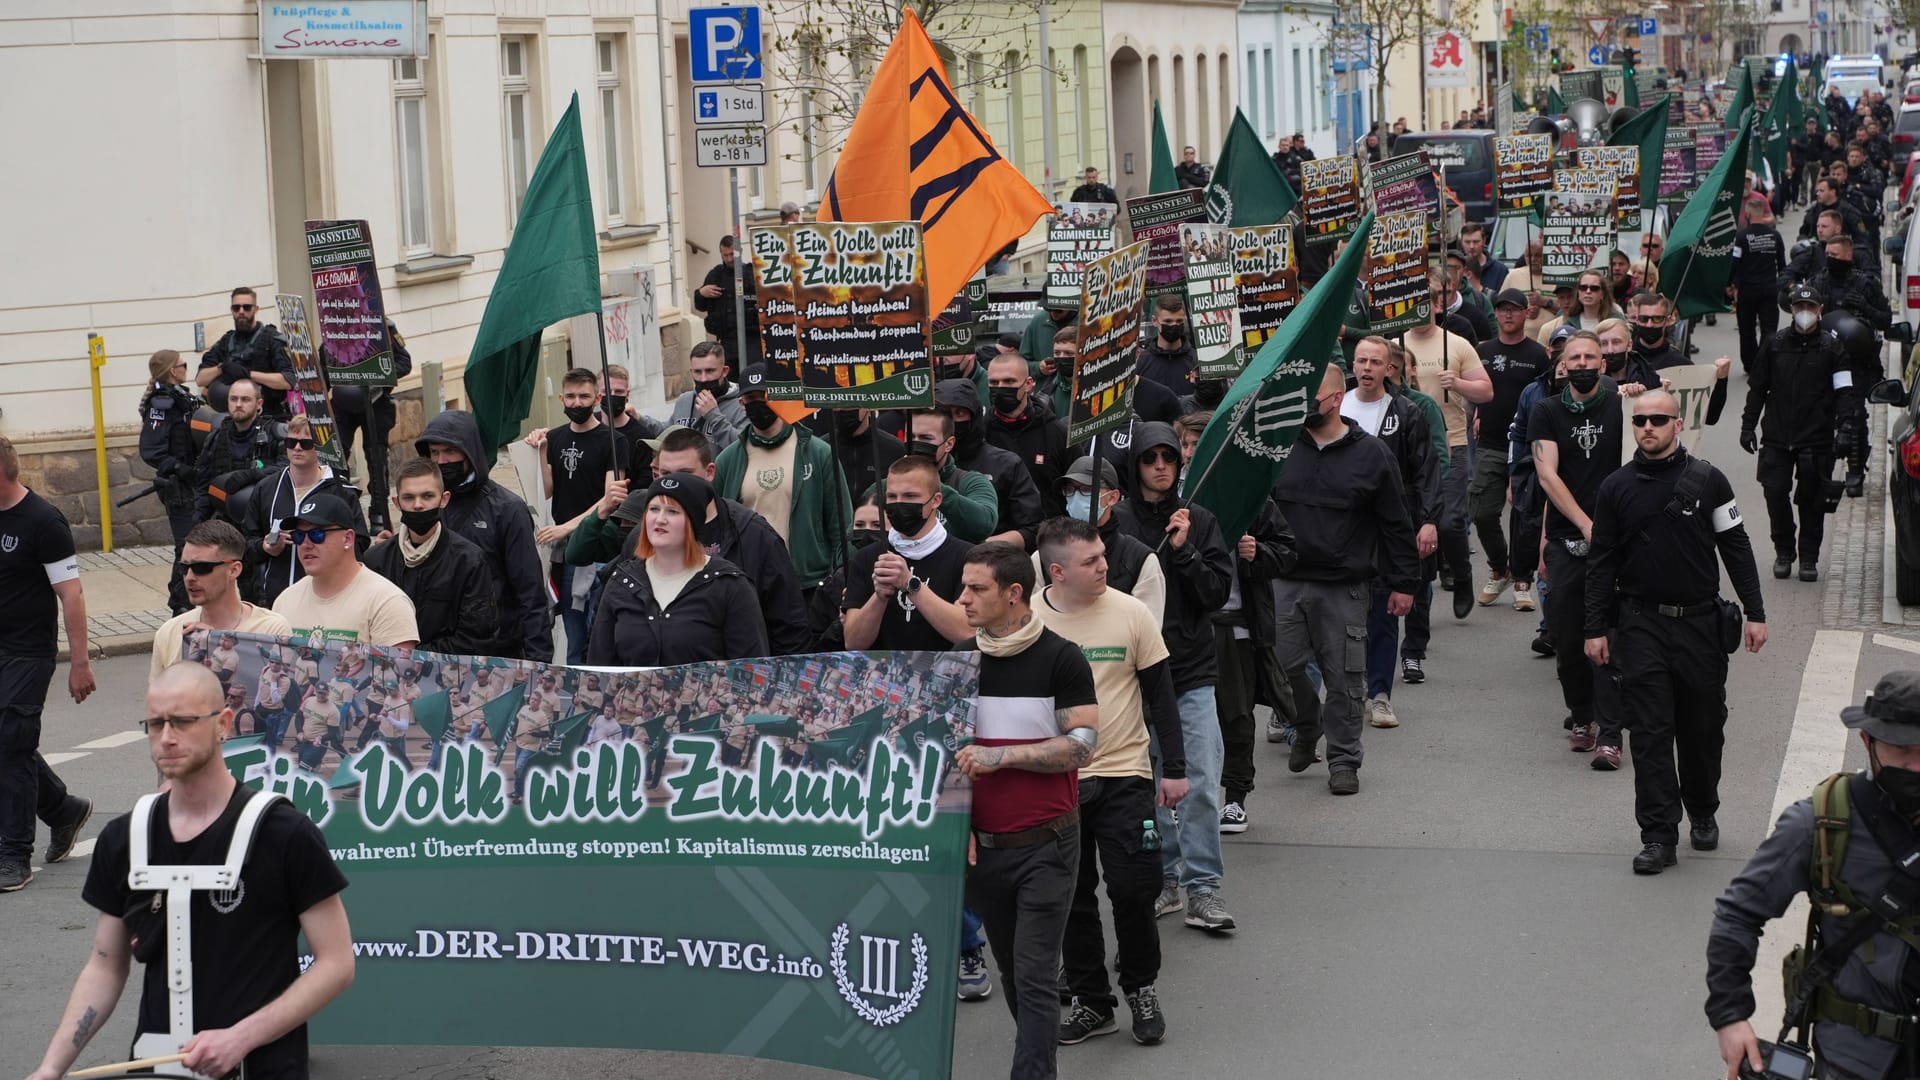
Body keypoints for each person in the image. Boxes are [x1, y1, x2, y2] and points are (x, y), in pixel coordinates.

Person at [23, 662, 353, 1080]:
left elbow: (337, 963)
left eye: (182, 722)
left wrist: (240, 1037)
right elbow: (106, 966)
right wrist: (52, 1067)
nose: (166, 737)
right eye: (156, 723)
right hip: (158, 1066)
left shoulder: (285, 834)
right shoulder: (125, 837)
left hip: (262, 1066)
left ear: (224, 724)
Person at [1585, 390, 1769, 874]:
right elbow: (1602, 561)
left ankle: (1703, 808)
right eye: (1640, 419)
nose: (1647, 427)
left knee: (1703, 729)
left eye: (1658, 420)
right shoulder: (1615, 487)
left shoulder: (1709, 481)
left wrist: (1755, 610)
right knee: (1649, 734)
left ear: (1678, 424)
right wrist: (1595, 627)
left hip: (1701, 627)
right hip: (1642, 624)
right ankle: (1658, 835)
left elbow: (1736, 545)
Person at [1704, 671, 1920, 1080]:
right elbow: (1738, 914)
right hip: (1856, 1058)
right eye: (1902, 749)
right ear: (1868, 743)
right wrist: (1730, 1017)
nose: (1917, 766)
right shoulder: (1819, 824)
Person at [1032, 517, 1187, 1047]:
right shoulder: (1028, 621)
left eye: (1103, 555)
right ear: (1057, 572)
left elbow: (1161, 696)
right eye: (1091, 561)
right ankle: (1092, 1001)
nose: (1105, 565)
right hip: (1058, 781)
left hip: (1125, 774)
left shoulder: (1131, 612)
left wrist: (1177, 771)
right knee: (1071, 897)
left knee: (1133, 889)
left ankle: (1141, 987)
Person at [953, 541, 1098, 1080]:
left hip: (1048, 844)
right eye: (964, 587)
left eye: (976, 589)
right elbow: (943, 756)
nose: (963, 598)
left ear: (1014, 594)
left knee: (1035, 974)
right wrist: (957, 827)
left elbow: (1084, 746)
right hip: (983, 851)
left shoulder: (1061, 657)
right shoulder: (960, 662)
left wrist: (1003, 756)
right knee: (1013, 972)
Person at [1271, 364, 1421, 797]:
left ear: (1337, 399)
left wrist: (1404, 583)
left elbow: (1396, 523)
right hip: (1285, 580)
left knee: (1344, 680)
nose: (1303, 407)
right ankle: (1306, 722)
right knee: (1277, 669)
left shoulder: (1372, 455)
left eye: (1311, 399)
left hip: (1345, 586)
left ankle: (1343, 760)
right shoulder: (1280, 447)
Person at [1110, 423, 1235, 931]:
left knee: (1199, 782)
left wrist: (1185, 552)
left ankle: (1204, 886)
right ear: (1135, 464)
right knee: (1147, 787)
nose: (1161, 464)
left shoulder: (1199, 519)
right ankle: (1165, 877)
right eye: (1149, 457)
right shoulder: (1113, 524)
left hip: (1188, 670)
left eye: (1169, 456)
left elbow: (1215, 595)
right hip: (1128, 675)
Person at [570, 426, 811, 656]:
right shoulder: (641, 538)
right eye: (665, 475)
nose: (673, 485)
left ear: (710, 473)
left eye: (685, 475)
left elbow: (789, 629)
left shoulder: (753, 536)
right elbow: (604, 633)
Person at [1170, 416, 1295, 827]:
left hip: (1235, 623)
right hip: (1183, 623)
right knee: (1179, 713)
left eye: (1199, 445)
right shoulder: (1170, 497)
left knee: (1235, 714)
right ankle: (1178, 791)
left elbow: (1288, 551)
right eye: (1186, 445)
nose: (1191, 454)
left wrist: (1258, 552)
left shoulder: (1250, 498)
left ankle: (1236, 793)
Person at [0, 435, 96, 892]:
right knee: (5, 741)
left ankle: (14, 853)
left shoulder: (43, 521)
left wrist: (80, 663)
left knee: (11, 744)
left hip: (27, 652)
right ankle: (63, 810)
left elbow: (71, 594)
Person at [1529, 330, 1626, 765]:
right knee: (1568, 638)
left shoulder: (1624, 405)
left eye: (1592, 355)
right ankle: (1581, 715)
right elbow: (1548, 476)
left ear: (1603, 364)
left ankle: (1611, 732)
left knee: (1612, 637)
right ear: (1563, 366)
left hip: (1620, 542)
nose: (1584, 362)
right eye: (1575, 357)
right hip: (1571, 540)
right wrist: (1586, 525)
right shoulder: (1546, 411)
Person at [1343, 339, 1440, 731]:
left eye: (1376, 362)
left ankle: (1379, 695)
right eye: (1362, 361)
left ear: (1389, 369)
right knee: (1341, 616)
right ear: (1353, 365)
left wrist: (1429, 519)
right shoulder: (1335, 406)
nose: (1368, 368)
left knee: (1384, 613)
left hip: (1389, 529)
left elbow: (1426, 469)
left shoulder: (1406, 412)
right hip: (1343, 531)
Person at [1741, 282, 1863, 582]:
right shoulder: (1774, 344)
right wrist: (1747, 425)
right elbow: (1757, 388)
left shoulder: (1833, 348)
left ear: (1820, 311)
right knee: (1775, 494)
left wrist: (1846, 428)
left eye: (1810, 307)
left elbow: (1845, 392)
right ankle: (1784, 550)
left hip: (1816, 438)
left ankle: (1809, 557)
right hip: (1777, 437)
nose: (1804, 313)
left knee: (1813, 502)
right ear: (1791, 310)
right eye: (1799, 308)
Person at [586, 473, 768, 667]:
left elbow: (751, 673)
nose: (660, 519)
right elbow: (599, 667)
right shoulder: (621, 581)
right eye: (654, 509)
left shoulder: (730, 585)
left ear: (692, 521)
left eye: (672, 511)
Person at [415, 409, 553, 662]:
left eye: (450, 451)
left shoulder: (507, 509)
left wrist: (539, 664)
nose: (442, 461)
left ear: (469, 452)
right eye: (434, 453)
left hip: (499, 653)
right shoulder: (424, 506)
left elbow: (530, 594)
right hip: (438, 653)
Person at [713, 364, 852, 601]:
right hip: (749, 585)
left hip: (808, 585)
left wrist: (842, 577)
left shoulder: (819, 454)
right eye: (750, 398)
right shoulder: (728, 460)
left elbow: (842, 526)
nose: (758, 404)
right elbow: (716, 526)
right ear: (741, 403)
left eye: (764, 396)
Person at [1403, 272, 1494, 623]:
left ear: (1436, 305)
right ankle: (1419, 597)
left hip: (1452, 441)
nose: (1416, 310)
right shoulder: (1393, 342)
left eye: (1422, 302)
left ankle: (1462, 574)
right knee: (1416, 523)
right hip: (1407, 447)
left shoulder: (1455, 344)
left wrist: (1456, 382)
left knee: (1451, 520)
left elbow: (1486, 392)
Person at [525, 367, 630, 665]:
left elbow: (610, 499)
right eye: (570, 397)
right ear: (561, 398)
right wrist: (540, 451)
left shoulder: (613, 440)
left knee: (598, 632)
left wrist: (567, 528)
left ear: (597, 397)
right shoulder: (556, 438)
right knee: (574, 637)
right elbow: (547, 489)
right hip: (564, 553)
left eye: (584, 396)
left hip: (597, 545)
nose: (577, 403)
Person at [363, 458, 502, 656]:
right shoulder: (376, 560)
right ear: (396, 502)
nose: (418, 505)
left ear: (444, 499)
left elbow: (476, 637)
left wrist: (414, 656)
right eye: (409, 497)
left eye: (427, 496)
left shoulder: (468, 561)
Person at [842, 455, 974, 651]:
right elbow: (853, 642)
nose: (899, 504)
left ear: (936, 500)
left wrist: (909, 584)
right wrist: (879, 597)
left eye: (910, 496)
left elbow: (966, 633)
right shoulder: (867, 557)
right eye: (892, 497)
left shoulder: (968, 557)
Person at [1472, 291, 1552, 609]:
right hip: (1491, 442)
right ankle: (1499, 567)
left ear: (1526, 313)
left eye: (1515, 310)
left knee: (1524, 514)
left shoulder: (1537, 355)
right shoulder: (1483, 351)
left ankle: (1522, 578)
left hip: (1526, 444)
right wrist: (1477, 413)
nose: (1508, 315)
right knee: (1481, 511)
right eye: (1502, 310)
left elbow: (1544, 398)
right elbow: (1480, 388)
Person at [246, 413, 366, 609]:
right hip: (276, 600)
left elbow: (359, 542)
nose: (298, 448)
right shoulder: (266, 488)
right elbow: (246, 542)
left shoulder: (341, 491)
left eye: (306, 443)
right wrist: (264, 547)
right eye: (291, 442)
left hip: (328, 599)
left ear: (320, 447)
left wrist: (324, 541)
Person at [271, 493, 420, 649]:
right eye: (299, 536)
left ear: (348, 538)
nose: (306, 544)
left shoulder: (387, 603)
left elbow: (398, 671)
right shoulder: (285, 601)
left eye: (317, 535)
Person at [150, 520, 293, 679]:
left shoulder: (271, 629)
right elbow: (159, 701)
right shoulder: (169, 632)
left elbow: (271, 696)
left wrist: (215, 643)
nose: (190, 577)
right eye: (184, 568)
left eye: (202, 568)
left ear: (234, 570)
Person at [1045, 455, 1165, 616]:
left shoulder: (1140, 560)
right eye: (1070, 489)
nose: (1076, 496)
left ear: (1113, 497)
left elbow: (1149, 631)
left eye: (1087, 489)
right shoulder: (1044, 556)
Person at [327, 319, 411, 532]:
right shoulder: (333, 327)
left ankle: (379, 513)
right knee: (335, 459)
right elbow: (323, 366)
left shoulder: (381, 327)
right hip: (343, 405)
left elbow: (403, 363)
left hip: (375, 401)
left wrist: (375, 377)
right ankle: (343, 509)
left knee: (377, 460)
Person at [139, 348, 205, 614]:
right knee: (186, 548)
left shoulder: (181, 396)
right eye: (183, 365)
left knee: (196, 545)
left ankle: (188, 602)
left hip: (193, 484)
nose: (186, 369)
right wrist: (180, 469)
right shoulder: (162, 402)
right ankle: (180, 605)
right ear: (171, 371)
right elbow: (152, 451)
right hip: (178, 487)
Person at [939, 379, 1043, 547]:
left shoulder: (1006, 464)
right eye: (946, 414)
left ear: (974, 415)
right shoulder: (916, 465)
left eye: (960, 414)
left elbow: (1032, 528)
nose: (953, 421)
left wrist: (979, 546)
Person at [987, 352, 1074, 520]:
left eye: (1009, 381)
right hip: (997, 534)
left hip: (1048, 533)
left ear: (1028, 384)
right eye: (994, 382)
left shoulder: (1057, 433)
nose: (1000, 387)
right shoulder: (981, 432)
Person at [191, 378, 285, 531]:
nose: (238, 404)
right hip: (228, 523)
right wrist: (196, 526)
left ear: (259, 404)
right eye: (233, 399)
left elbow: (287, 469)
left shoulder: (274, 433)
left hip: (266, 522)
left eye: (245, 399)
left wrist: (252, 475)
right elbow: (203, 486)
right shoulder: (216, 437)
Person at [903, 407, 1001, 544]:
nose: (916, 443)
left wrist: (929, 484)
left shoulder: (971, 482)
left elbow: (985, 525)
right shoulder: (889, 484)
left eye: (926, 438)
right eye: (910, 437)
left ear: (949, 444)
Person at [196, 286, 295, 417]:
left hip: (269, 417)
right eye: (236, 308)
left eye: (247, 307)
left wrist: (249, 374)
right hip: (232, 418)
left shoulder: (272, 339)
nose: (241, 311)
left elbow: (289, 380)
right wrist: (222, 368)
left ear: (256, 309)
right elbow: (200, 379)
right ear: (232, 310)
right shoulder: (225, 342)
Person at [1731, 204, 1787, 373]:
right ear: (1763, 214)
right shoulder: (1775, 236)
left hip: (1747, 291)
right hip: (1769, 289)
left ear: (1747, 214)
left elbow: (1735, 263)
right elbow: (1782, 264)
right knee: (1769, 330)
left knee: (1746, 330)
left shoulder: (1741, 236)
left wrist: (1731, 284)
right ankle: (1765, 363)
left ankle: (1750, 363)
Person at [667, 341, 750, 455]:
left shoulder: (742, 403)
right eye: (697, 372)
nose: (703, 379)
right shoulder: (685, 400)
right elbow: (668, 431)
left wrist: (713, 415)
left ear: (725, 371)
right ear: (691, 372)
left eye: (710, 371)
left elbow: (743, 447)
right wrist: (640, 419)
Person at [693, 235, 759, 366]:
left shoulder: (752, 274)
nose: (729, 259)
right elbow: (700, 306)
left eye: (731, 254)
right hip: (727, 341)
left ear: (740, 251)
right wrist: (701, 293)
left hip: (752, 339)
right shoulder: (716, 275)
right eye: (725, 255)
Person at [827, 406, 904, 501]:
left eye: (848, 404)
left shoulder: (894, 449)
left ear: (867, 407)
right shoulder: (823, 449)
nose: (840, 410)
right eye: (836, 404)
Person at [1536, 269, 1619, 344]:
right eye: (1583, 287)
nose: (1588, 291)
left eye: (1594, 288)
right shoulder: (1569, 323)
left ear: (1603, 294)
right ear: (1578, 293)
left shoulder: (1616, 320)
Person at [1136, 295, 1198, 394]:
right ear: (1154, 321)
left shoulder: (1196, 361)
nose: (1174, 325)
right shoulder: (1141, 363)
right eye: (1168, 321)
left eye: (1179, 321)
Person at [1459, 222, 1508, 292]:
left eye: (1475, 242)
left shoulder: (1500, 270)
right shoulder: (1457, 269)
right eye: (1467, 242)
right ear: (1461, 242)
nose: (1471, 246)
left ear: (1484, 241)